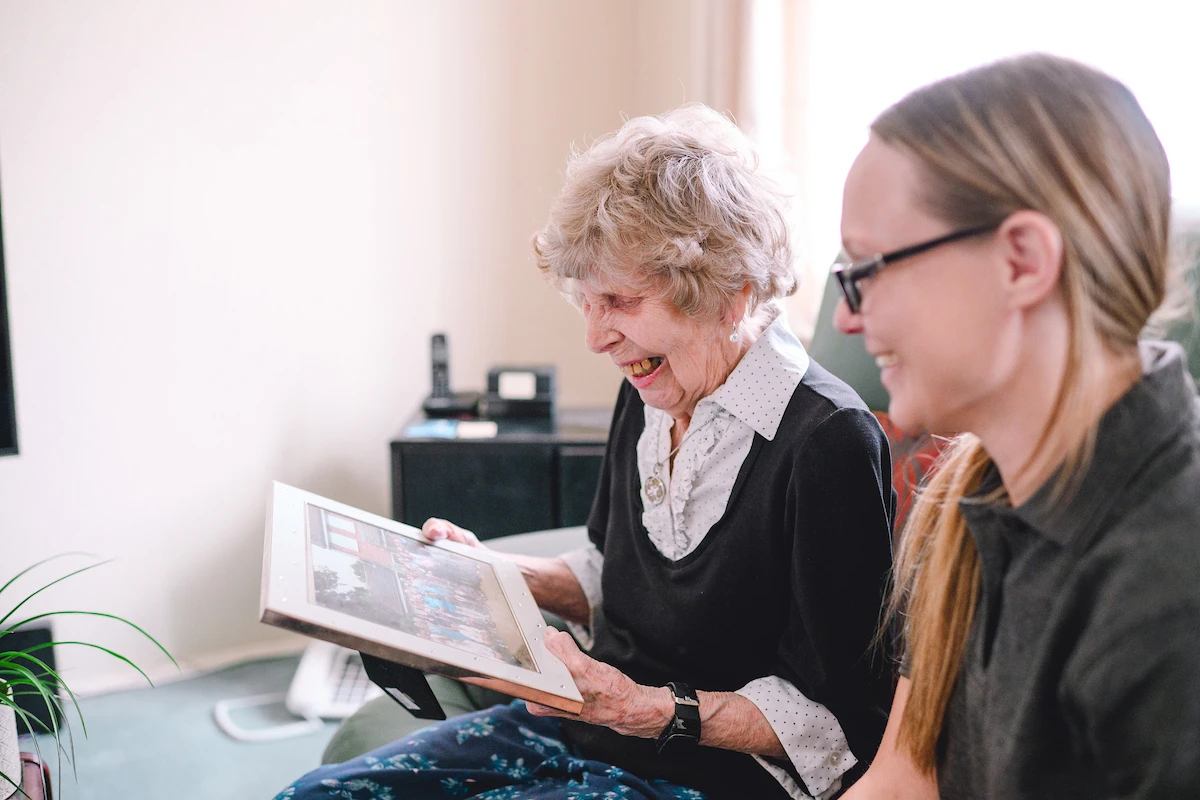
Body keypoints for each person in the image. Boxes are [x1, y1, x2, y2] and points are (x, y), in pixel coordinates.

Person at [276, 105, 896, 800]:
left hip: (718, 777)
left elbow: (840, 719)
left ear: (729, 294)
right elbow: (612, 574)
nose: (596, 339)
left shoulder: (827, 441)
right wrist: (480, 573)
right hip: (585, 730)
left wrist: (640, 708)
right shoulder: (652, 386)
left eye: (621, 301)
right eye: (587, 302)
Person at [830, 54, 1200, 799]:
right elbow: (903, 779)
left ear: (1024, 260)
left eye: (866, 271)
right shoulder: (967, 500)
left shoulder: (1169, 590)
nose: (844, 317)